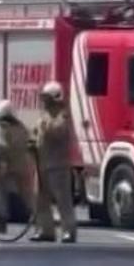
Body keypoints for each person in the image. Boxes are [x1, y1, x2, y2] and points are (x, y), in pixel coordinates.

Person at [33, 81, 77, 244]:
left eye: (47, 98)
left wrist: (45, 126)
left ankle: (68, 231)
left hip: (58, 166)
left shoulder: (62, 116)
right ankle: (46, 230)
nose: (44, 102)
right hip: (43, 164)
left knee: (63, 200)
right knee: (40, 199)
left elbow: (58, 132)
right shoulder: (45, 116)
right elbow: (37, 134)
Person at [0, 98, 36, 234]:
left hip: (8, 166)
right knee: (27, 195)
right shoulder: (22, 128)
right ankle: (38, 220)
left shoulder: (4, 128)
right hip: (23, 165)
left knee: (1, 194)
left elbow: (2, 147)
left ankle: (0, 224)